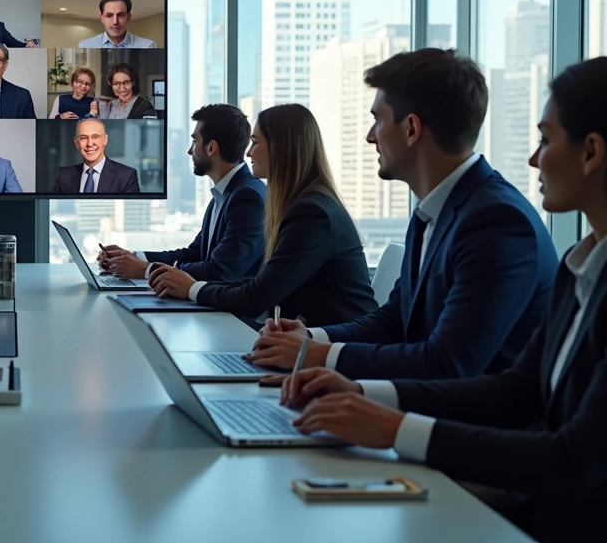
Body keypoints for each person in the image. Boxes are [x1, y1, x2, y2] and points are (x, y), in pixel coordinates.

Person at [280, 57, 607, 543]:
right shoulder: (580, 264)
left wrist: (393, 426)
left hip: (530, 498)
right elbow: (519, 388)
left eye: (545, 139)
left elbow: (571, 457)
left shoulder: (498, 220)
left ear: (591, 152)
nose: (534, 159)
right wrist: (362, 393)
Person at [251, 49, 558, 381]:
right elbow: (395, 318)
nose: (370, 136)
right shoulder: (433, 210)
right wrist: (311, 338)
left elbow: (447, 363)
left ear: (411, 129)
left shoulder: (497, 222)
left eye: (377, 120)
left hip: (469, 423)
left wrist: (320, 356)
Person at [149, 104, 377, 326]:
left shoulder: (312, 213)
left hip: (332, 347)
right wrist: (187, 284)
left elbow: (255, 298)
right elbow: (260, 282)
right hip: (303, 338)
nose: (248, 152)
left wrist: (191, 288)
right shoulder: (301, 204)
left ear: (280, 148)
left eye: (255, 143)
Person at [100, 104, 265, 281]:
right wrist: (134, 257)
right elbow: (195, 254)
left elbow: (221, 270)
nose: (189, 151)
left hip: (226, 308)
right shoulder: (226, 192)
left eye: (195, 142)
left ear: (211, 148)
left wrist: (146, 270)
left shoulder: (247, 197)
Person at [52, 119, 139, 194]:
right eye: (83, 138)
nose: (89, 144)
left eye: (95, 137)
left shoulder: (126, 176)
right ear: (77, 143)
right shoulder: (63, 176)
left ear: (105, 139)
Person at [77, 0, 158, 48]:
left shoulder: (148, 46)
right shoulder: (85, 46)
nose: (115, 21)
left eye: (121, 15)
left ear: (129, 17)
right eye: (109, 15)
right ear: (102, 18)